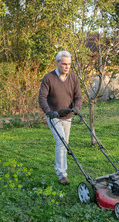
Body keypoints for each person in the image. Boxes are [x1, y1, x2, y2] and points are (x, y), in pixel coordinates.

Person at [38, 51, 82, 185]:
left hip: (67, 115)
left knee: (65, 144)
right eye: (64, 64)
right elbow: (42, 98)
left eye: (69, 64)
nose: (67, 67)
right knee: (61, 143)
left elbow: (78, 97)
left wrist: (76, 108)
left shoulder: (73, 78)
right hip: (54, 116)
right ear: (57, 63)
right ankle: (62, 175)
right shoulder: (48, 78)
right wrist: (48, 111)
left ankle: (61, 170)